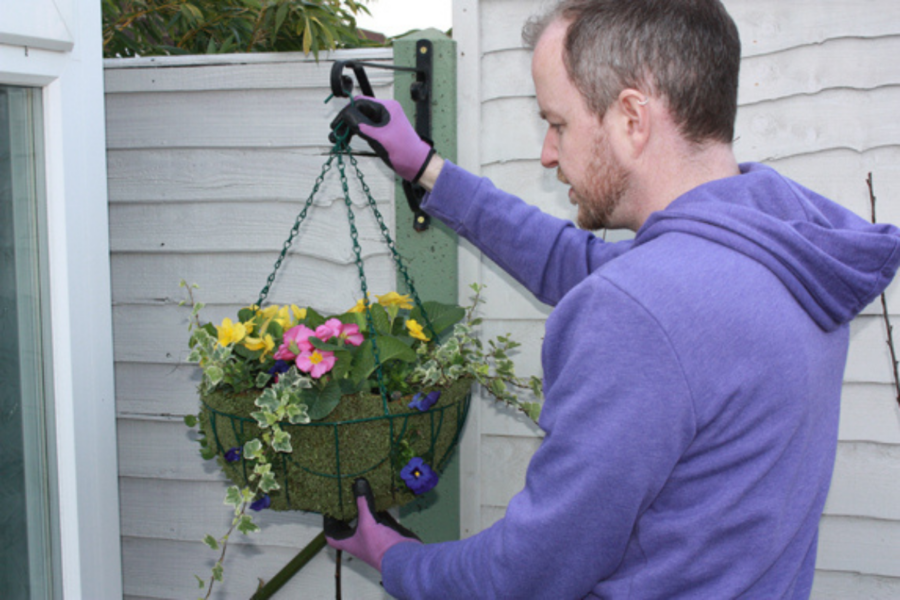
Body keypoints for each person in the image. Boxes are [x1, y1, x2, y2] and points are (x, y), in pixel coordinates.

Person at [325, 1, 900, 598]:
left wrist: (397, 558)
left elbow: (528, 575)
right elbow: (577, 264)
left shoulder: (640, 312)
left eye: (559, 123)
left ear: (631, 118)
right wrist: (427, 168)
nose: (548, 153)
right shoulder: (785, 252)